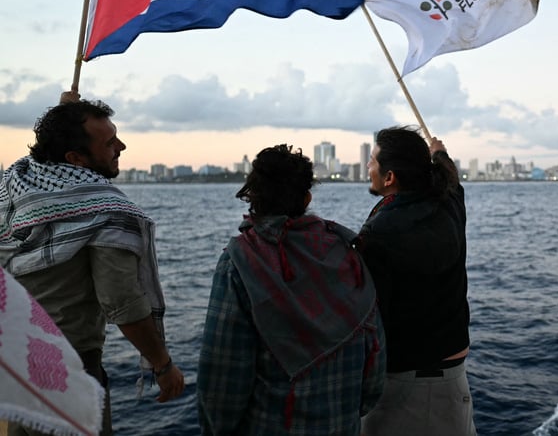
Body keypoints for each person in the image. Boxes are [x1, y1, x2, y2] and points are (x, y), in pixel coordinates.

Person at [0, 96, 185, 436]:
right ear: (74, 158)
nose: (122, 146)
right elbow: (122, 301)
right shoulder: (103, 210)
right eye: (109, 142)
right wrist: (162, 363)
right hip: (66, 367)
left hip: (17, 361)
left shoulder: (17, 187)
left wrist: (65, 112)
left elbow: (42, 153)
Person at [196, 144, 386, 435]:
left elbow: (222, 380)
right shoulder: (346, 253)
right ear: (307, 197)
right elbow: (374, 359)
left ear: (252, 196)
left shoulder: (241, 263)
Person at [355, 127, 477, 436]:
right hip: (453, 381)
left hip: (408, 389)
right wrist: (438, 153)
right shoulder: (450, 204)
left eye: (372, 161)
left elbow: (369, 315)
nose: (368, 168)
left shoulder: (379, 234)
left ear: (390, 177)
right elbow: (450, 179)